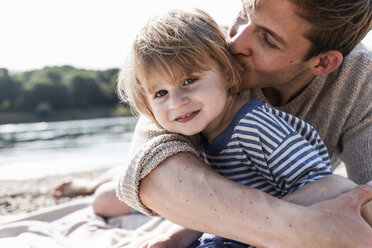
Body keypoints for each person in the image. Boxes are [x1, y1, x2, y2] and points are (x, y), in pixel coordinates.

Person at [115, 0, 372, 247]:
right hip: (225, 185)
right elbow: (146, 167)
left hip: (273, 184)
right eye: (244, 13)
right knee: (109, 199)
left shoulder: (361, 80)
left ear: (323, 62)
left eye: (268, 40)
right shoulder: (203, 50)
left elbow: (361, 195)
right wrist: (299, 228)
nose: (235, 43)